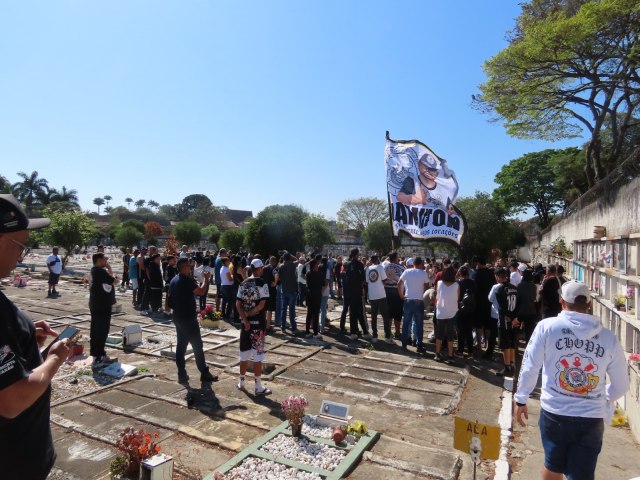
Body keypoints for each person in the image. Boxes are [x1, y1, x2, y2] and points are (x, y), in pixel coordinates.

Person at [515, 281, 629, 480]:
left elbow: (530, 366)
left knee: (552, 466)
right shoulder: (609, 338)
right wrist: (603, 397)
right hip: (592, 417)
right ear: (589, 304)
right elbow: (621, 385)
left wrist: (521, 399)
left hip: (555, 412)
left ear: (562, 302)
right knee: (582, 474)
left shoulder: (547, 327)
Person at [0, 194, 71, 480]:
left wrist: (26, 343)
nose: (22, 255)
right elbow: (11, 400)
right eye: (21, 246)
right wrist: (54, 359)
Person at [168, 257, 217, 384]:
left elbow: (167, 303)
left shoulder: (174, 280)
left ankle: (182, 374)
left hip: (178, 317)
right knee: (197, 346)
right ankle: (204, 373)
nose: (191, 268)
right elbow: (200, 291)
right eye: (189, 266)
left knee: (181, 346)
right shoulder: (186, 280)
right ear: (184, 267)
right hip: (188, 318)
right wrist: (206, 279)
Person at [236, 259, 272, 396]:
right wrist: (250, 314)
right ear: (258, 269)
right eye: (261, 268)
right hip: (258, 324)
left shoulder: (243, 283)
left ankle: (242, 382)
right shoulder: (262, 283)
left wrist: (245, 318)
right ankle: (258, 386)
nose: (262, 270)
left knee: (244, 354)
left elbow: (238, 303)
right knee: (258, 356)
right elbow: (262, 305)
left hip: (245, 325)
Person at [488, 267, 519, 376]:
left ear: (497, 277)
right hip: (514, 320)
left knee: (504, 344)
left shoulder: (499, 289)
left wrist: (509, 318)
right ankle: (512, 364)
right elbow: (518, 305)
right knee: (511, 343)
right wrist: (515, 318)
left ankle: (507, 367)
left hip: (504, 320)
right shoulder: (514, 288)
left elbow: (502, 307)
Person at [89, 252, 118, 367]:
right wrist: (110, 269)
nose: (106, 261)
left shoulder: (93, 270)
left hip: (95, 304)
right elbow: (114, 281)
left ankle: (95, 353)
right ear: (99, 260)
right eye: (104, 259)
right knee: (102, 330)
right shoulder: (100, 271)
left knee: (95, 329)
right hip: (102, 305)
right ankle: (100, 355)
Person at [397, 256, 429, 353]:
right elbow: (427, 285)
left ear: (413, 264)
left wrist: (401, 295)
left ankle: (404, 344)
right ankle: (419, 344)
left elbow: (399, 283)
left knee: (406, 323)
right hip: (418, 300)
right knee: (419, 324)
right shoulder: (423, 273)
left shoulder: (407, 271)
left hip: (408, 299)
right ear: (420, 264)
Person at [434, 266, 459, 363]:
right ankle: (450, 355)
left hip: (441, 311)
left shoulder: (439, 283)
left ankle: (437, 353)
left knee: (439, 334)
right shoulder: (457, 285)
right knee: (450, 335)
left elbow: (437, 294)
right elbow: (457, 297)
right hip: (452, 312)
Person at [366, 255, 392, 343]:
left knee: (373, 317)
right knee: (385, 316)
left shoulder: (368, 268)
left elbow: (367, 281)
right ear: (377, 260)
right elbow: (384, 280)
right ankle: (387, 337)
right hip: (381, 295)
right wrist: (390, 278)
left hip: (372, 295)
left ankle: (374, 336)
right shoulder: (380, 267)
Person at [455, 266, 476, 357]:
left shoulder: (459, 283)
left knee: (461, 331)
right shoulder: (473, 282)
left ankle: (460, 351)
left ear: (460, 274)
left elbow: (457, 296)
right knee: (469, 331)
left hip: (461, 309)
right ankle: (471, 351)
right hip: (471, 309)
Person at [278, 252, 299, 333]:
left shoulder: (280, 266)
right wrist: (291, 255)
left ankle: (283, 326)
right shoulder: (293, 265)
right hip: (292, 290)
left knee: (283, 309)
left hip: (284, 289)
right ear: (289, 257)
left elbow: (279, 278)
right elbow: (298, 259)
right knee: (291, 309)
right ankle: (293, 326)